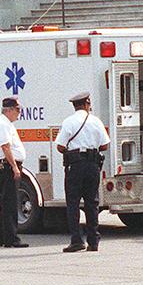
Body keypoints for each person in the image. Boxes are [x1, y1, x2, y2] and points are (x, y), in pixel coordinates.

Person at [55, 90, 111, 252]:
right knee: (92, 203)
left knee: (73, 203)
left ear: (74, 106)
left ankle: (76, 240)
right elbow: (105, 145)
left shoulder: (69, 122)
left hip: (75, 166)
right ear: (87, 104)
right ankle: (93, 241)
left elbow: (60, 146)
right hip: (93, 165)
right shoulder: (96, 121)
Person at [0, 97, 28, 248]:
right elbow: (5, 147)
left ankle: (3, 237)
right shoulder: (2, 124)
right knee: (11, 203)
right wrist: (14, 167)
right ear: (9, 110)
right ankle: (12, 238)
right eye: (18, 110)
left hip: (7, 166)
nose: (19, 113)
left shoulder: (7, 124)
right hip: (6, 167)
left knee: (6, 203)